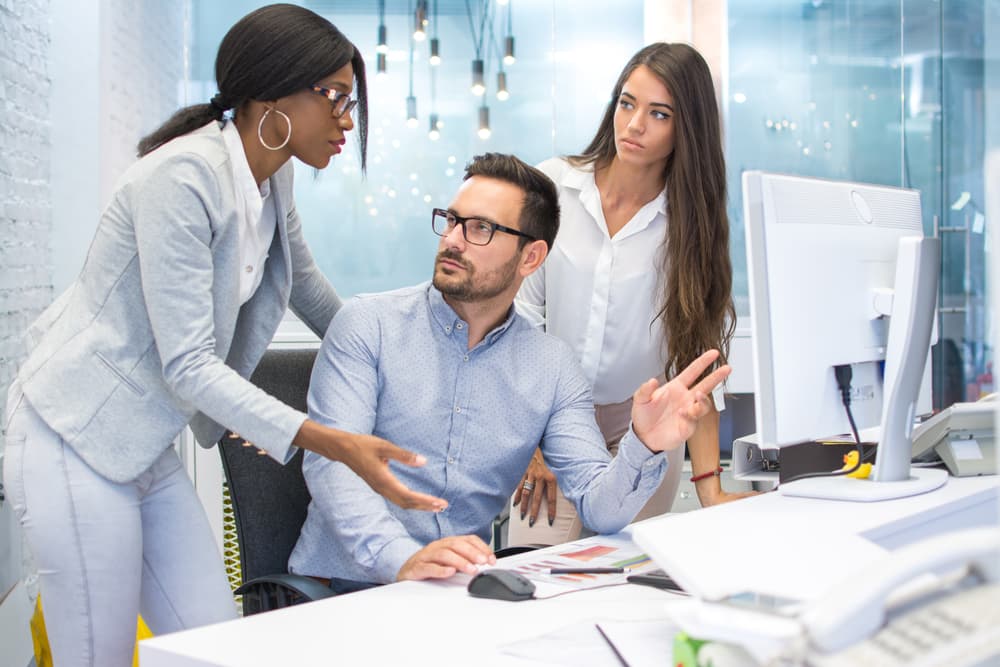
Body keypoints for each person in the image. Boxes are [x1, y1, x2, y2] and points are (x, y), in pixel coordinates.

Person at [2, 5, 445, 666]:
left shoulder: (270, 177)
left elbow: (306, 286)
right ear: (274, 95)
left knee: (216, 644)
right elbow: (188, 363)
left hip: (143, 445)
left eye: (350, 101)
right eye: (336, 98)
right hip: (75, 435)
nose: (347, 121)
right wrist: (333, 440)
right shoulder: (183, 178)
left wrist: (396, 370)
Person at [288, 153, 730, 588]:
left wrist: (645, 444)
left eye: (481, 228)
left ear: (530, 258)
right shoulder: (368, 325)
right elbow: (333, 468)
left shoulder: (552, 368)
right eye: (452, 220)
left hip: (454, 593)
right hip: (341, 588)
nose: (454, 240)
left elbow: (600, 508)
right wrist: (402, 559)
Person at [509, 42, 752, 546]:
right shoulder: (554, 186)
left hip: (645, 428)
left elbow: (699, 364)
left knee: (623, 575)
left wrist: (710, 488)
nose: (635, 124)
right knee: (532, 572)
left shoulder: (692, 225)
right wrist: (531, 440)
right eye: (627, 103)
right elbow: (519, 323)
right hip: (554, 419)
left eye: (659, 114)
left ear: (687, 128)